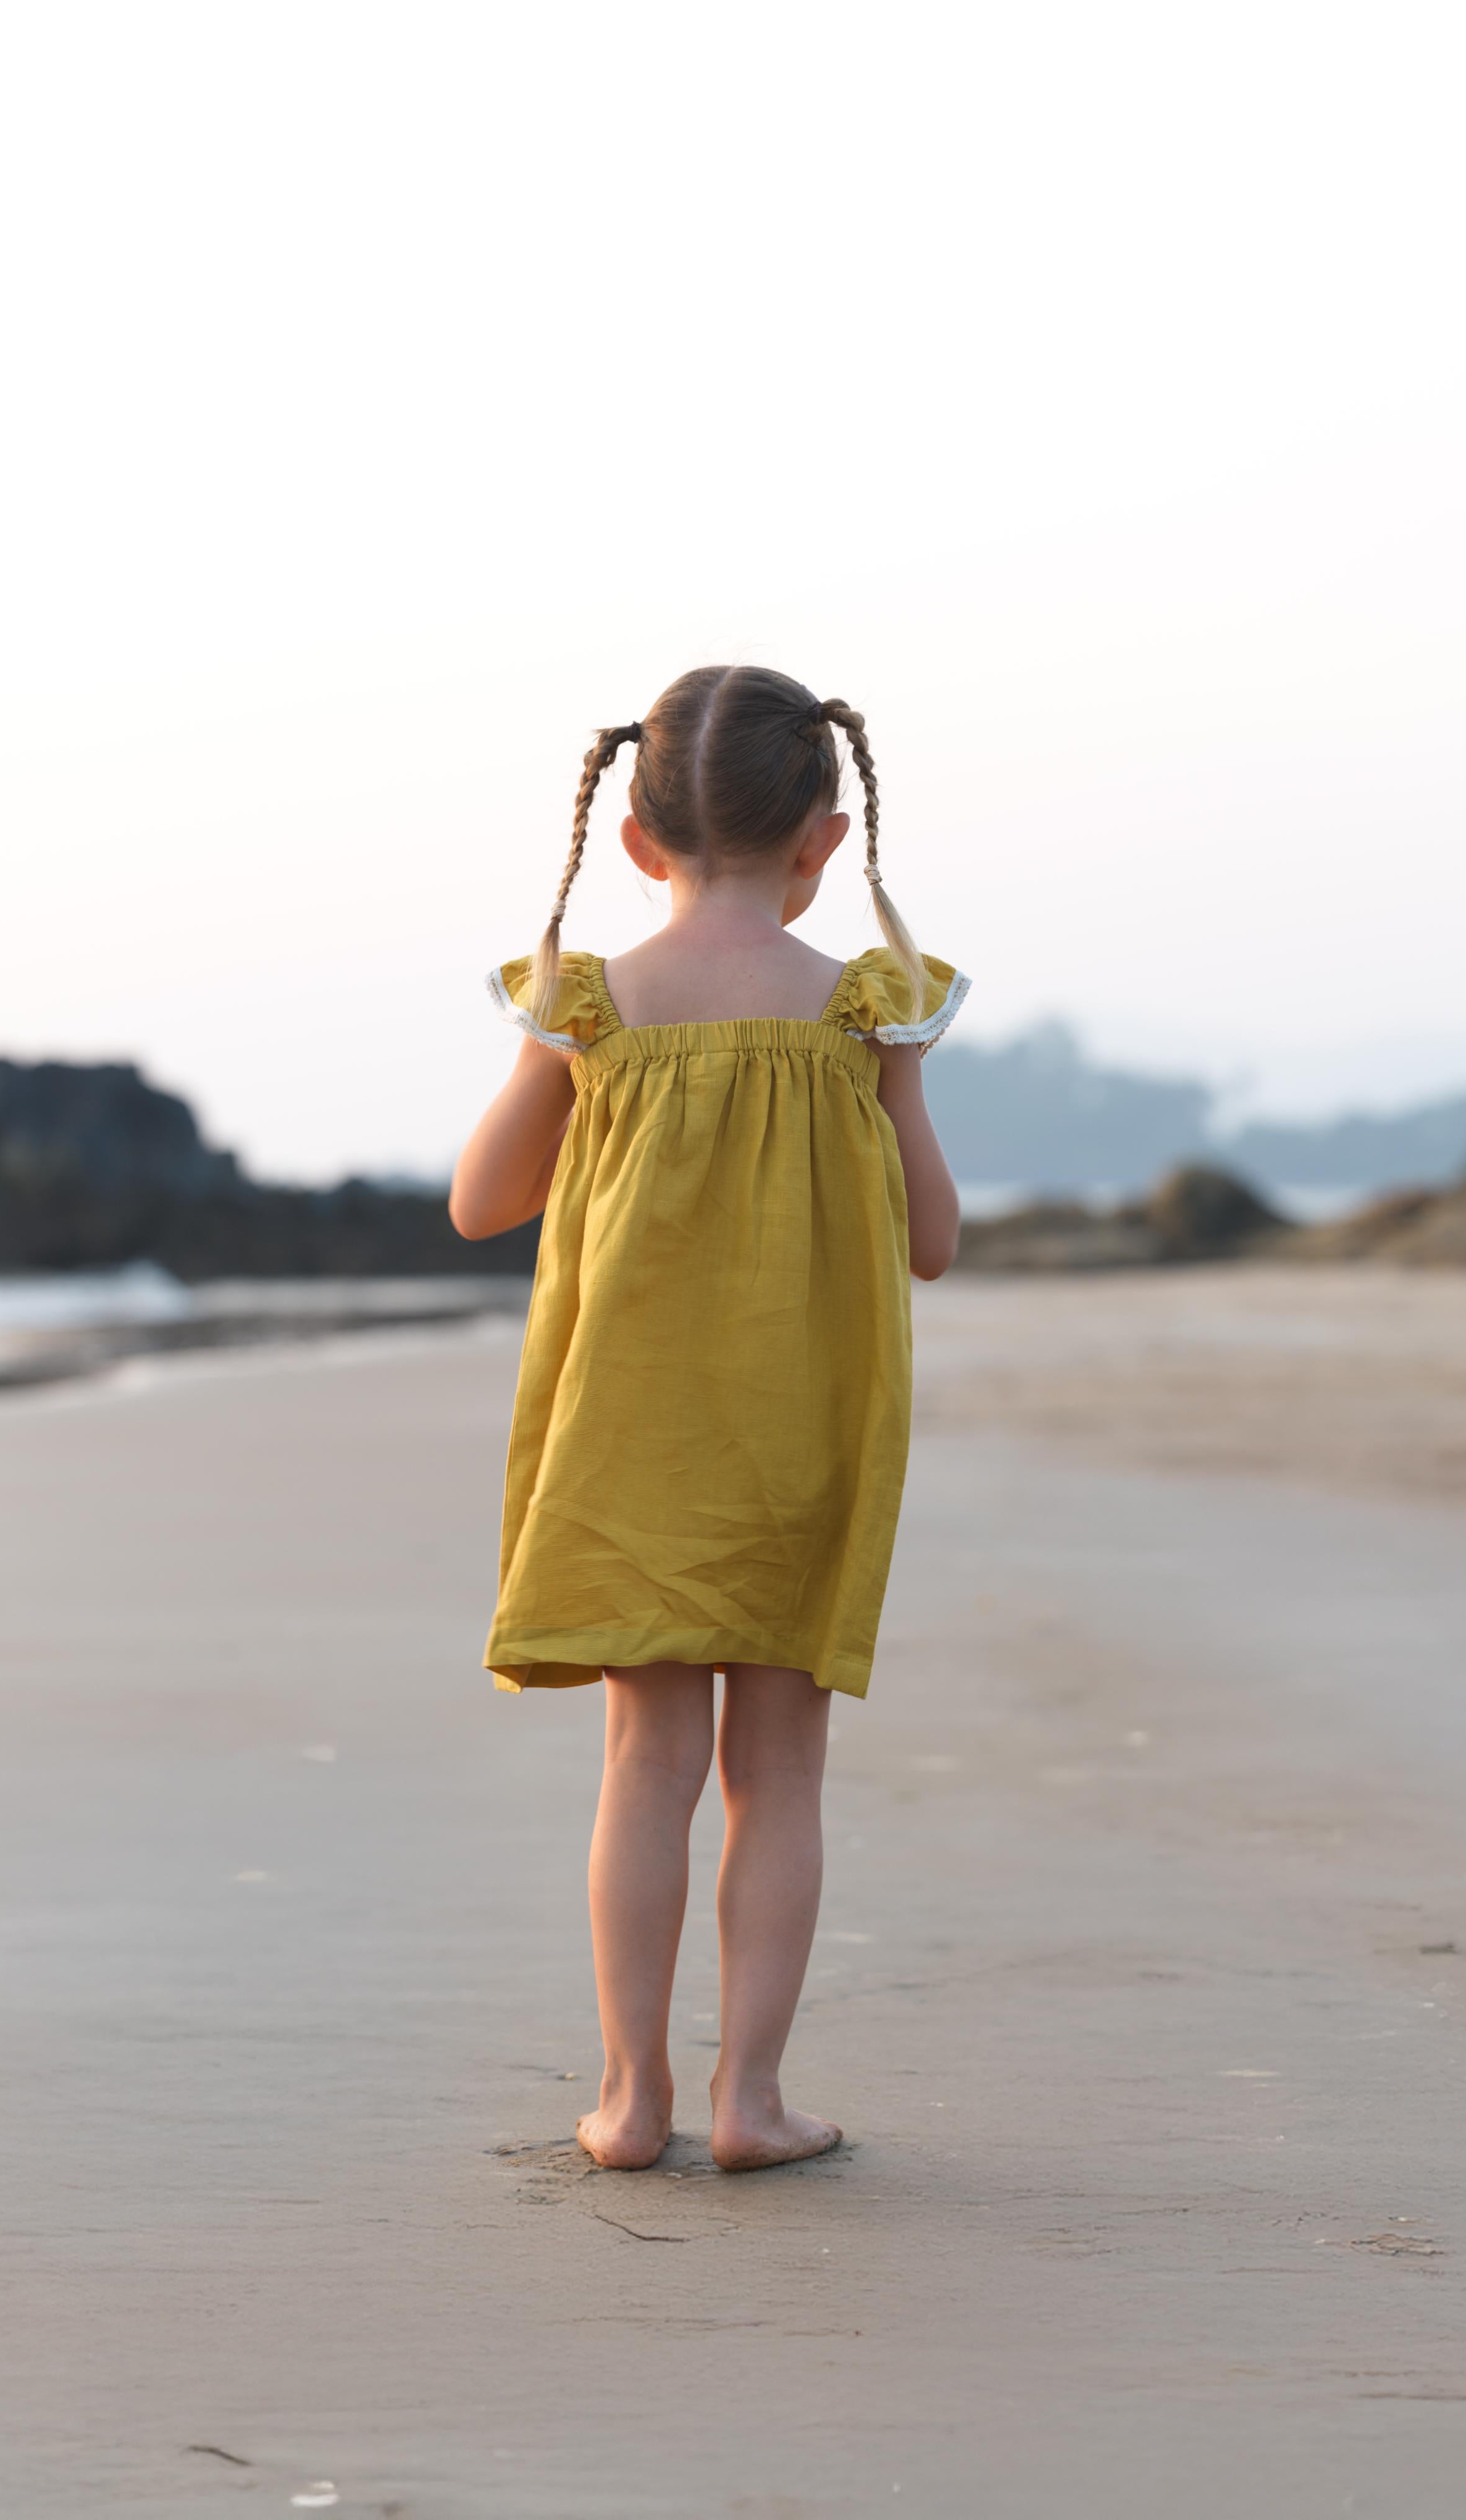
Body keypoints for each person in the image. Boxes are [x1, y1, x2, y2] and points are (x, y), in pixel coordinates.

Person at [450, 665, 965, 2172]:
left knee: (645, 1766)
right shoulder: (871, 1010)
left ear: (634, 838)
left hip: (632, 1440)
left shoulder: (594, 1006)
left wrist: (549, 1051)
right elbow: (930, 1240)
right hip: (805, 1433)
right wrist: (904, 1086)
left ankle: (630, 2101)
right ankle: (751, 2100)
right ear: (828, 835)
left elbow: (484, 1204)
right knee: (779, 1776)